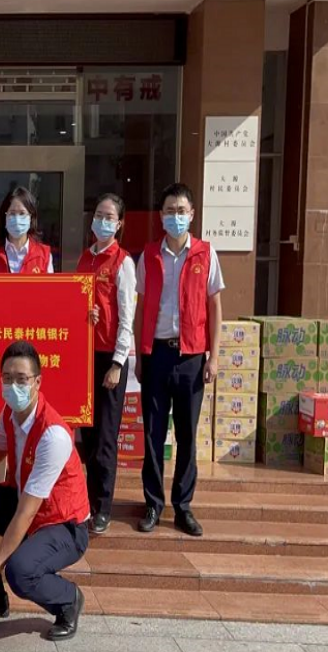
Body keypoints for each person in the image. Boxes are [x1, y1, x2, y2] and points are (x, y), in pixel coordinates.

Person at [0, 341, 89, 642]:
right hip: (23, 505)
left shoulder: (53, 435)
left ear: (37, 382)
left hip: (63, 525)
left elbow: (25, 515)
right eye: (7, 378)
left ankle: (68, 599)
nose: (13, 386)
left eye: (21, 379)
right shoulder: (11, 413)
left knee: (20, 571)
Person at [135, 183, 224, 538]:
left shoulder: (205, 253)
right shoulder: (148, 255)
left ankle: (183, 506)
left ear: (192, 214)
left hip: (191, 357)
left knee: (186, 435)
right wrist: (139, 354)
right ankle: (153, 504)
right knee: (153, 434)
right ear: (161, 216)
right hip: (156, 353)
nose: (176, 216)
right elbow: (141, 306)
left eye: (181, 210)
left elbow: (215, 307)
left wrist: (214, 356)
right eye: (170, 210)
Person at [78, 194, 137, 535]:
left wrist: (117, 363)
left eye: (109, 216)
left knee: (105, 438)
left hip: (109, 359)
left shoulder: (123, 262)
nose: (102, 221)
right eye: (98, 214)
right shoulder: (85, 258)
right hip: (85, 356)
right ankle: (87, 501)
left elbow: (127, 318)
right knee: (87, 435)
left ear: (119, 224)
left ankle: (103, 506)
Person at [0, 187, 54, 274]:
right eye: (12, 213)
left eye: (22, 213)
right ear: (5, 217)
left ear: (30, 217)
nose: (17, 219)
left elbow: (49, 283)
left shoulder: (44, 255)